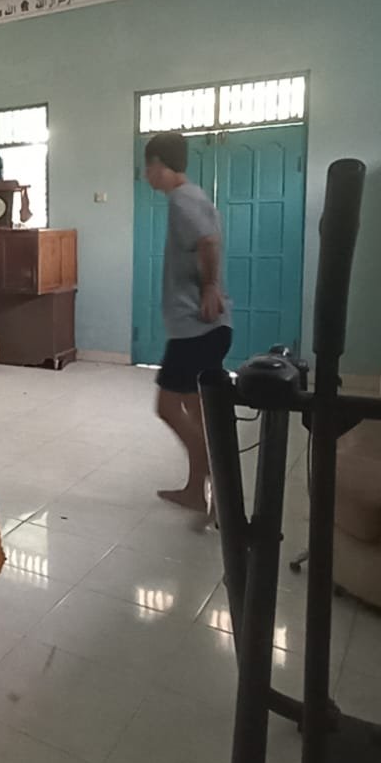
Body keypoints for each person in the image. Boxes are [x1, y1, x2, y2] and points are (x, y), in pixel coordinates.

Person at [143, 131, 232, 510]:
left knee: (167, 407)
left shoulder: (182, 199)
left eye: (146, 167)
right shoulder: (192, 195)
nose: (145, 175)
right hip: (207, 329)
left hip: (195, 329)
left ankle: (216, 472)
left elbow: (208, 241)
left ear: (157, 164)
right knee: (198, 411)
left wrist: (209, 286)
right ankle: (198, 491)